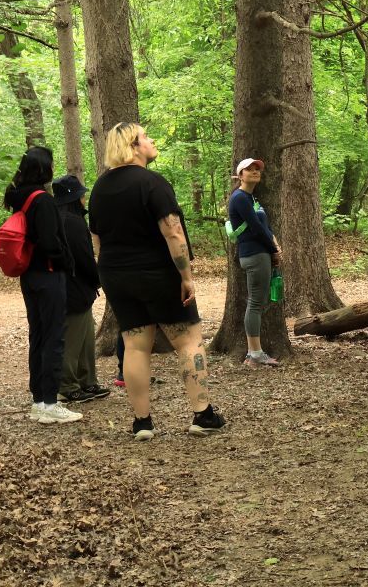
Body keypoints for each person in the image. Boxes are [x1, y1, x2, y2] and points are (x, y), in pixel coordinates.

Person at [88, 123, 225, 441]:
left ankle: (142, 423)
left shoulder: (100, 189)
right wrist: (186, 277)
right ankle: (203, 416)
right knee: (189, 342)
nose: (152, 141)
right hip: (158, 273)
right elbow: (172, 231)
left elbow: (96, 240)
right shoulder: (152, 183)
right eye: (146, 137)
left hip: (116, 275)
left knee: (136, 347)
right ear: (134, 146)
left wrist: (112, 273)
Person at [3, 147, 82, 425]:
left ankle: (39, 400)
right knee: (54, 338)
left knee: (37, 336)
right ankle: (49, 402)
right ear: (42, 169)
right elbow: (49, 243)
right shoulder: (42, 201)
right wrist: (65, 261)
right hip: (49, 276)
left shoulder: (19, 197)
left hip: (30, 276)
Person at [52, 174, 110, 404]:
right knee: (72, 339)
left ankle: (87, 382)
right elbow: (83, 258)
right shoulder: (71, 222)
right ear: (74, 198)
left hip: (73, 289)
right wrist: (98, 279)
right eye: (82, 196)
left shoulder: (58, 218)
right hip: (73, 288)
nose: (84, 199)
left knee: (86, 336)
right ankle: (67, 386)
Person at [227, 158, 282, 367]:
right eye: (249, 170)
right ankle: (255, 354)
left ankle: (254, 353)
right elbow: (255, 229)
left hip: (261, 253)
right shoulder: (240, 198)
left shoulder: (251, 198)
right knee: (255, 303)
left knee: (257, 302)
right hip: (254, 254)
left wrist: (275, 244)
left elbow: (265, 227)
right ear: (240, 175)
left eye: (257, 169)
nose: (255, 172)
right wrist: (273, 250)